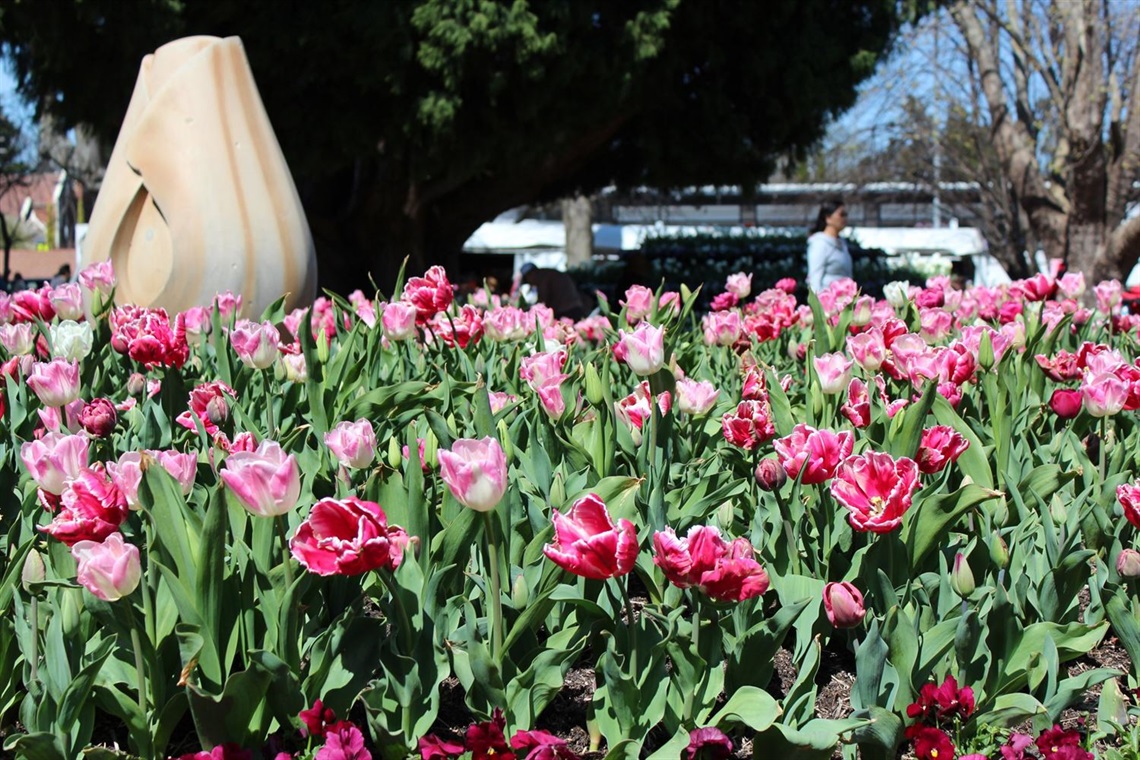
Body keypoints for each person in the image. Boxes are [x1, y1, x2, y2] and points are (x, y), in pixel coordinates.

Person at [806, 199, 853, 292]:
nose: (845, 218)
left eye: (846, 215)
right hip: (827, 302)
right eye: (841, 214)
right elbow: (814, 279)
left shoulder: (842, 243)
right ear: (828, 218)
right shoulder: (820, 244)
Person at [518, 263, 589, 320]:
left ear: (531, 274)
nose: (530, 283)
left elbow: (542, 303)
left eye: (527, 279)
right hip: (574, 307)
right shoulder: (548, 273)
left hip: (567, 311)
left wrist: (527, 311)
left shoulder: (543, 278)